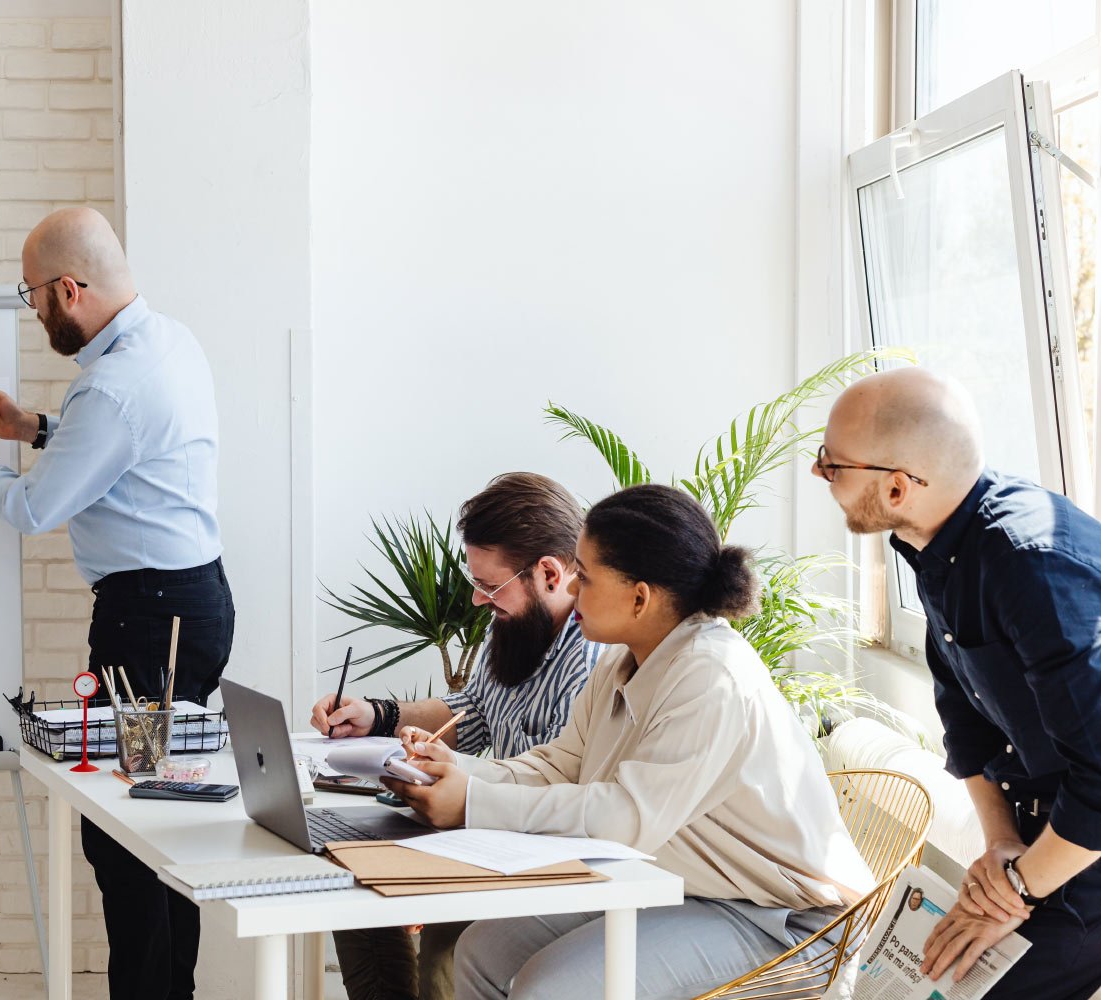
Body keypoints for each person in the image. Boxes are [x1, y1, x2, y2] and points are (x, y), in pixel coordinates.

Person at [387, 484, 872, 1000]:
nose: (572, 589)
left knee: (546, 990)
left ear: (640, 597)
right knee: (483, 950)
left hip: (785, 921)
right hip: (688, 887)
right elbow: (562, 764)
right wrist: (456, 772)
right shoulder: (625, 659)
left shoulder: (712, 675)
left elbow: (625, 819)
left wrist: (472, 801)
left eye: (587, 578)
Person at [0, 206, 234, 1000]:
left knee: (128, 834)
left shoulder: (115, 384)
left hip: (150, 621)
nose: (34, 313)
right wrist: (37, 426)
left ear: (70, 288)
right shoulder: (167, 341)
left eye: (33, 295)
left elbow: (33, 510)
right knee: (156, 819)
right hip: (179, 606)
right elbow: (126, 449)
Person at [814, 367, 1101, 999]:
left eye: (831, 465)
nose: (820, 476)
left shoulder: (1027, 564)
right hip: (1035, 840)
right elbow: (966, 726)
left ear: (895, 488)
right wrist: (1000, 844)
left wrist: (1016, 889)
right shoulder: (936, 545)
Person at [308, 471, 602, 1000]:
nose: (476, 600)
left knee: (444, 950)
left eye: (490, 586)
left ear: (550, 573)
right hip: (484, 828)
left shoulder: (591, 659)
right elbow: (474, 713)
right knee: (352, 886)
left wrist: (459, 795)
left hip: (541, 852)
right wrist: (377, 714)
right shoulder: (512, 621)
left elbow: (566, 791)